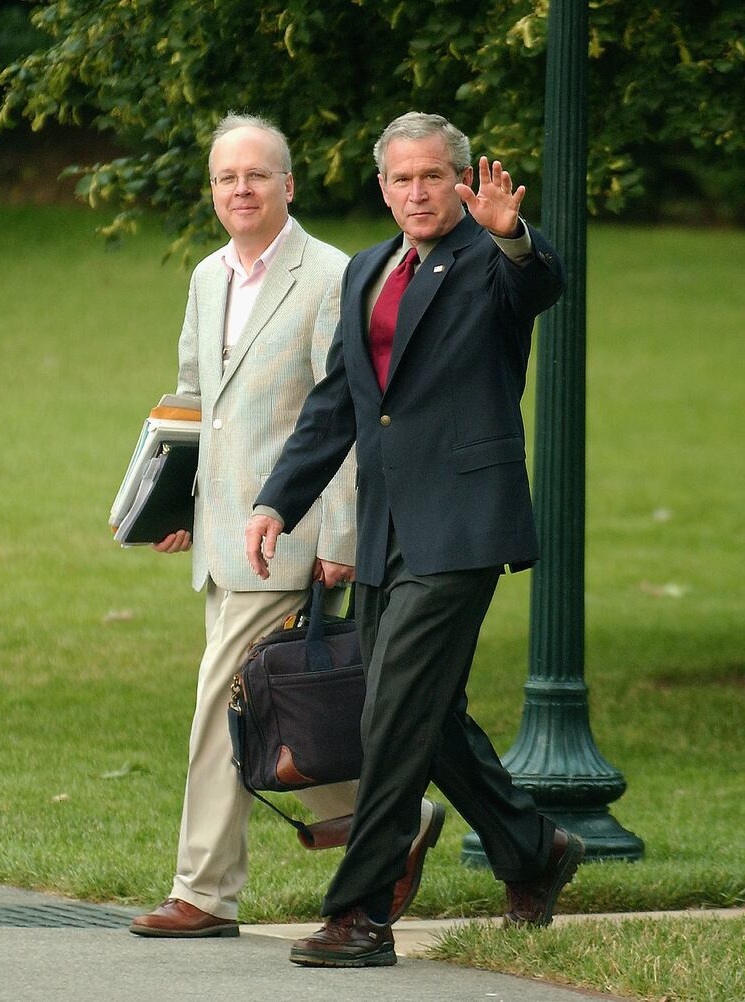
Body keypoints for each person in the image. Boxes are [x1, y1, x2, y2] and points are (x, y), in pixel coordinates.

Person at [246, 112, 584, 968]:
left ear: (461, 180)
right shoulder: (367, 269)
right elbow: (339, 406)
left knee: (391, 708)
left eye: (432, 176)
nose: (416, 192)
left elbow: (538, 284)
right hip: (390, 526)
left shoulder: (489, 261)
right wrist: (277, 502)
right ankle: (532, 849)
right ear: (383, 186)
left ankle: (360, 914)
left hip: (465, 524)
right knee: (427, 717)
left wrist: (515, 237)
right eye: (400, 178)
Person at [130, 113, 442, 939]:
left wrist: (339, 534)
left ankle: (202, 892)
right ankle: (381, 821)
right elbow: (192, 397)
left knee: (218, 708)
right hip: (221, 532)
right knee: (268, 711)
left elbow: (345, 413)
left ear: (289, 184)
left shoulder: (331, 275)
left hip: (287, 537)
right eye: (227, 177)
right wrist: (174, 505)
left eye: (257, 175)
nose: (241, 189)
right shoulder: (206, 276)